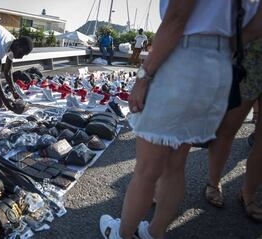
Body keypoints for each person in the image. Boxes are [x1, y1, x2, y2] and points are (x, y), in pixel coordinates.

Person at [99, 1, 262, 239]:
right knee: (176, 164)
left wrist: (144, 76)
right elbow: (257, 25)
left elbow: (176, 17)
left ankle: (122, 234)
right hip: (217, 67)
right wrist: (220, 46)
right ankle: (154, 233)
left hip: (182, 60)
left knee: (147, 168)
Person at [205, 39, 262, 222]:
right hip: (249, 61)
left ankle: (249, 193)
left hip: (248, 59)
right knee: (227, 130)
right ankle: (213, 183)